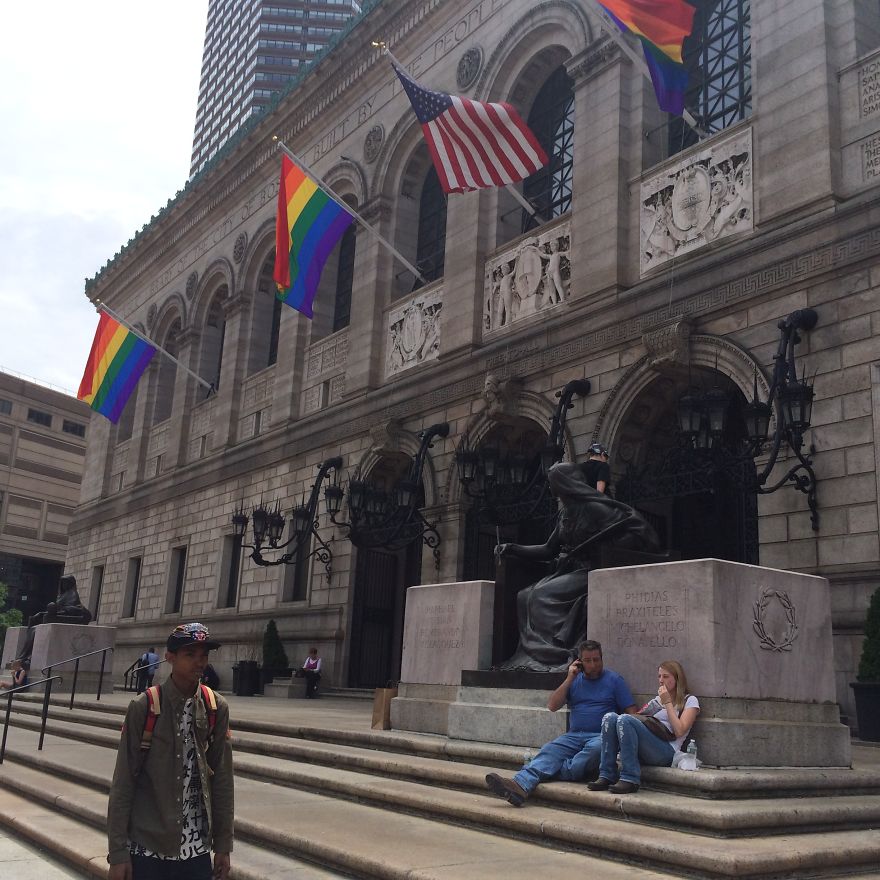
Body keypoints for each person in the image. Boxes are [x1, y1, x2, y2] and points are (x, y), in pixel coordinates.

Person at [496, 462, 659, 671]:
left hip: (592, 570)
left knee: (540, 596)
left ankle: (556, 651)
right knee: (523, 596)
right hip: (569, 570)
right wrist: (513, 548)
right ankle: (533, 655)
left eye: (551, 482)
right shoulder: (566, 514)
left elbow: (637, 534)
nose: (548, 487)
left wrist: (602, 548)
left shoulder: (595, 508)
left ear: (562, 483)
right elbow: (548, 549)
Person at [107, 622, 234, 880]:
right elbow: (123, 782)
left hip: (196, 849)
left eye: (204, 656)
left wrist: (223, 845)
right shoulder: (144, 707)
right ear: (170, 657)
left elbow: (222, 778)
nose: (199, 663)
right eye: (190, 655)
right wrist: (118, 853)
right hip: (147, 847)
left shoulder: (215, 707)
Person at [485, 640, 637, 806]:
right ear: (579, 662)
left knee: (595, 750)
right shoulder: (573, 680)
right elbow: (552, 706)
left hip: (600, 737)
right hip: (573, 736)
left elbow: (632, 715)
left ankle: (555, 771)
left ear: (602, 659)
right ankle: (519, 785)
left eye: (596, 659)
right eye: (588, 660)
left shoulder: (615, 680)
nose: (593, 664)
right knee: (549, 750)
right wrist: (569, 677)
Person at [588, 659, 700, 794]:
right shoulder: (657, 701)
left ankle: (630, 779)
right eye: (659, 676)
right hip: (648, 745)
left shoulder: (690, 700)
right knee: (610, 717)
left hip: (667, 750)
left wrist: (668, 703)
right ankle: (606, 774)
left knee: (625, 719)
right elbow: (637, 718)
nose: (660, 680)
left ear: (677, 678)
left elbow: (680, 731)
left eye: (665, 676)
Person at [17, 574, 92, 663]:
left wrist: (59, 610)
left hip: (68, 617)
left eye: (66, 583)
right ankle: (25, 656)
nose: (64, 585)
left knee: (35, 630)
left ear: (71, 584)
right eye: (63, 583)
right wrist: (41, 613)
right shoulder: (63, 595)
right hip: (59, 615)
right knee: (34, 621)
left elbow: (74, 609)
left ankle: (27, 656)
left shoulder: (72, 594)